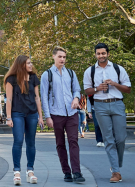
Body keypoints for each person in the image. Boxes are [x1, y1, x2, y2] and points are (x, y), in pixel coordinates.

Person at [83, 43, 131, 183]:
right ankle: (116, 171)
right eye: (98, 53)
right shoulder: (90, 71)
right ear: (95, 55)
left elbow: (128, 89)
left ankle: (116, 164)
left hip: (117, 103)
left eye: (103, 53)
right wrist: (97, 88)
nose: (101, 56)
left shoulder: (118, 69)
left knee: (120, 138)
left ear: (108, 54)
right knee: (108, 139)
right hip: (100, 106)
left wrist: (115, 84)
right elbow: (87, 91)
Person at [41, 47, 85, 183]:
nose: (62, 59)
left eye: (64, 57)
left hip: (72, 113)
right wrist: (47, 116)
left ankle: (77, 172)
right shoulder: (47, 75)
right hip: (56, 114)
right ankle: (66, 171)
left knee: (74, 141)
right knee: (60, 143)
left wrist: (76, 98)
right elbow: (44, 97)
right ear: (53, 57)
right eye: (60, 57)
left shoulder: (71, 73)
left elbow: (77, 89)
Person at [5, 55, 44, 185]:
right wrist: (8, 117)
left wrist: (40, 116)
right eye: (28, 63)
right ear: (22, 65)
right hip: (17, 114)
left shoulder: (33, 78)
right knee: (19, 141)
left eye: (30, 63)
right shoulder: (11, 79)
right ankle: (16, 172)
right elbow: (9, 100)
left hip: (32, 114)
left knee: (31, 142)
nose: (31, 65)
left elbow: (37, 98)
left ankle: (30, 171)